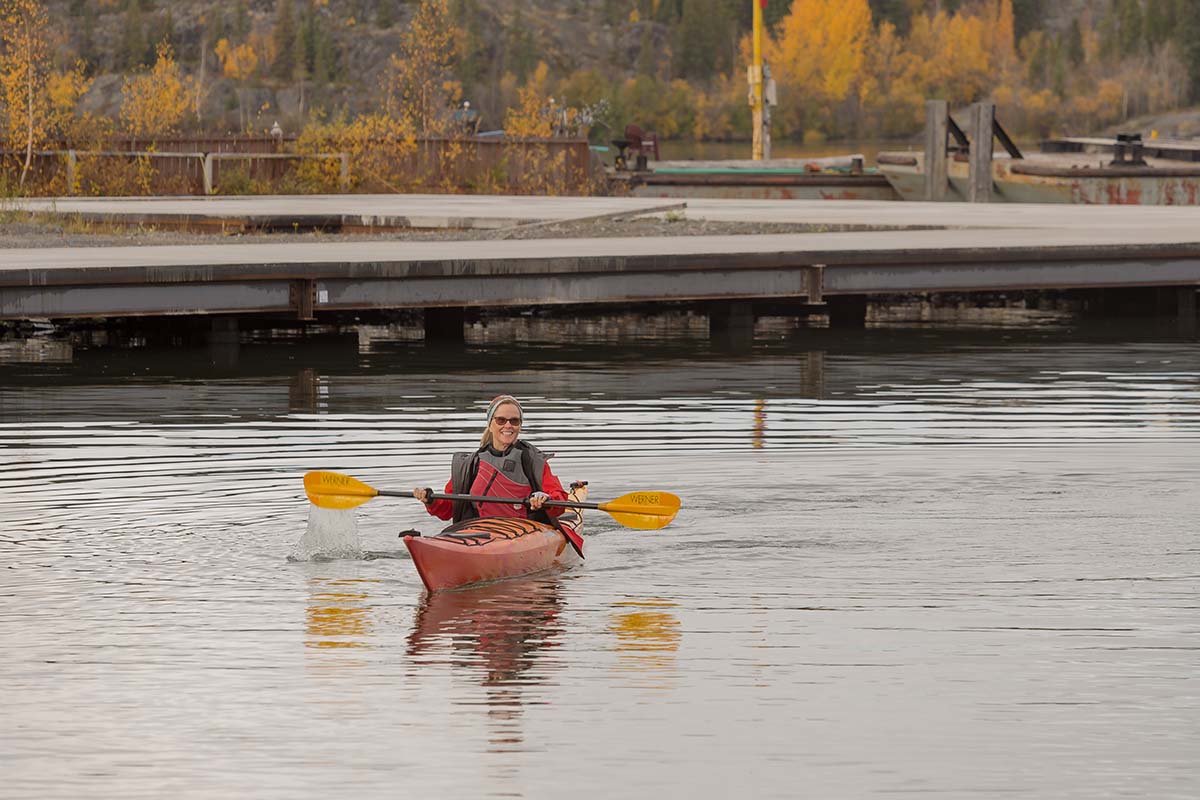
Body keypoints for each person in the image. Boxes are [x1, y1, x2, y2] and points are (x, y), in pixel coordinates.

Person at [413, 395, 570, 524]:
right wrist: (430, 499)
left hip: (525, 534)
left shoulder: (532, 461)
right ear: (490, 423)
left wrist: (545, 498)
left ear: (520, 425)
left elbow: (559, 500)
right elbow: (448, 510)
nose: (508, 425)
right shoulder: (471, 464)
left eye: (514, 421)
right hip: (478, 533)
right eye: (501, 420)